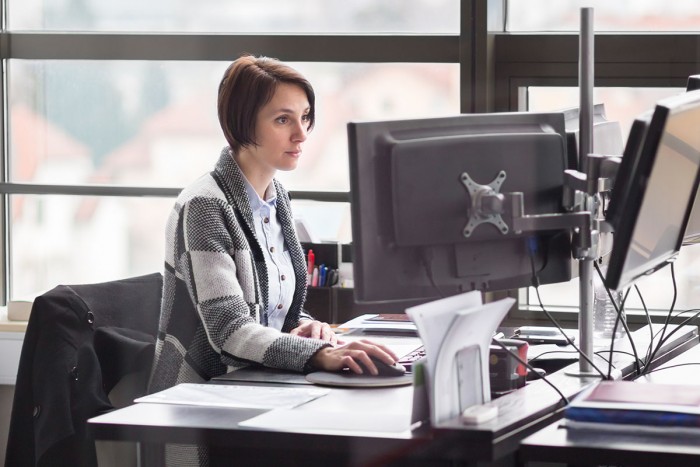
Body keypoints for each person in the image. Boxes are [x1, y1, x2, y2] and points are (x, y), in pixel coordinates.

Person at [147, 55, 398, 464]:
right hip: (204, 402)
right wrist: (317, 355)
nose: (302, 134)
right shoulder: (205, 207)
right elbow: (229, 330)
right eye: (283, 120)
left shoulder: (275, 196)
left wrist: (305, 328)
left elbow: (276, 313)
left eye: (305, 117)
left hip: (259, 386)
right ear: (243, 124)